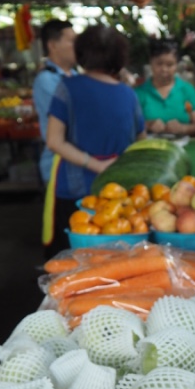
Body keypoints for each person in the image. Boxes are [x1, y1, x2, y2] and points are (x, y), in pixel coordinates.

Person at [43, 24, 145, 249]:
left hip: (75, 192)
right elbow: (142, 143)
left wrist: (94, 164)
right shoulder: (129, 95)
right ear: (119, 57)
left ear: (81, 53)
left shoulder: (67, 88)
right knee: (116, 262)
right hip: (119, 191)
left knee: (72, 262)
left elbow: (53, 140)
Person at [32, 19, 77, 187]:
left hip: (77, 166)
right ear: (52, 45)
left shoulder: (75, 76)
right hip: (59, 166)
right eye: (71, 40)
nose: (76, 46)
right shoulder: (46, 80)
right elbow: (75, 114)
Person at [135, 38, 195, 137]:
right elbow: (129, 125)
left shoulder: (187, 90)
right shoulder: (139, 93)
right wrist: (148, 125)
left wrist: (183, 128)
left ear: (177, 65)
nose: (164, 69)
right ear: (151, 63)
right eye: (159, 64)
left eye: (170, 65)